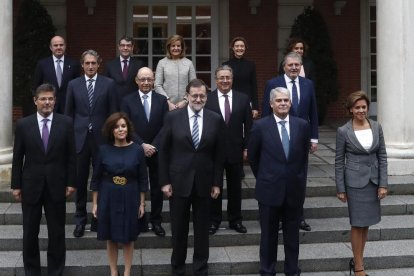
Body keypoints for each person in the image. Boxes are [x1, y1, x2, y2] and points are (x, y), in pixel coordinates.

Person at [158, 79, 223, 275]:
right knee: (179, 230)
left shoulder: (215, 119)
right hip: (178, 183)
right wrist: (164, 181)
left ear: (206, 96)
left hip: (204, 182)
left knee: (202, 230)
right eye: (194, 95)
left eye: (202, 95)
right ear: (187, 96)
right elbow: (163, 151)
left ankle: (200, 268)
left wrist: (217, 183)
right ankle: (178, 268)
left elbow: (219, 155)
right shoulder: (172, 117)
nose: (198, 99)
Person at [11, 83, 76, 276]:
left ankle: (56, 271)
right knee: (30, 232)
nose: (47, 102)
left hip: (57, 185)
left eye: (50, 99)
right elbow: (17, 157)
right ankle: (32, 271)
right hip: (31, 185)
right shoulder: (23, 124)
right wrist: (16, 185)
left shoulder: (66, 123)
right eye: (43, 99)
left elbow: (72, 156)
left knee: (57, 232)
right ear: (35, 101)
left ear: (55, 101)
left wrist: (71, 182)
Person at [248, 87, 310, 276]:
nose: (282, 103)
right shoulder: (260, 126)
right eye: (279, 101)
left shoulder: (302, 125)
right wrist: (266, 176)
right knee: (268, 236)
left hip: (294, 189)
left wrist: (298, 180)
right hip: (269, 189)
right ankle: (267, 270)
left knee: (292, 236)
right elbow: (253, 157)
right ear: (271, 103)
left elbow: (303, 158)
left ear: (290, 103)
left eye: (286, 100)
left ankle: (292, 270)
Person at [262, 51, 318, 231]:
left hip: (301, 139)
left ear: (301, 66)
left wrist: (314, 137)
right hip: (278, 137)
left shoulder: (308, 84)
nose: (294, 68)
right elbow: (265, 113)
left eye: (297, 65)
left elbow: (313, 112)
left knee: (299, 177)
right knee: (278, 176)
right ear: (284, 66)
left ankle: (298, 216)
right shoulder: (273, 83)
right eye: (290, 65)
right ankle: (277, 217)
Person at [65, 49, 118, 238]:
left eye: (93, 63)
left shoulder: (109, 84)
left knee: (102, 180)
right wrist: (68, 140)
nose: (90, 66)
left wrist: (113, 140)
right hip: (79, 140)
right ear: (82, 65)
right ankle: (80, 220)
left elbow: (113, 114)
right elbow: (68, 115)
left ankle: (100, 218)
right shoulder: (73, 85)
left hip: (102, 140)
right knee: (79, 181)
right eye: (87, 63)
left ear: (99, 64)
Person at [335, 91, 388, 276]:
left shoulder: (376, 127)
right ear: (350, 109)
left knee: (366, 224)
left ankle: (359, 259)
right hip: (355, 183)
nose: (361, 110)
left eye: (364, 107)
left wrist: (383, 184)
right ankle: (358, 267)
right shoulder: (343, 131)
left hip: (373, 182)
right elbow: (338, 161)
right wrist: (340, 188)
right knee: (357, 224)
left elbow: (382, 156)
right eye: (357, 107)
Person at [91, 112, 148, 276]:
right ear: (111, 130)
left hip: (131, 195)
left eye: (123, 126)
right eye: (116, 127)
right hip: (108, 196)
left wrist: (142, 203)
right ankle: (114, 271)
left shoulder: (137, 150)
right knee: (111, 236)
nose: (120, 129)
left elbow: (143, 179)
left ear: (128, 128)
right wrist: (95, 203)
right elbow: (95, 179)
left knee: (129, 237)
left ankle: (127, 272)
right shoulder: (103, 150)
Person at [121, 67, 169, 237]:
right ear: (136, 80)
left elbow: (166, 126)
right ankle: (136, 220)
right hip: (135, 150)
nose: (146, 82)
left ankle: (156, 221)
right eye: (143, 79)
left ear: (153, 80)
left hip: (156, 151)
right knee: (134, 186)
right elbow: (126, 126)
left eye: (149, 79)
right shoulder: (127, 100)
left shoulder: (162, 100)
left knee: (157, 187)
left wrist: (153, 146)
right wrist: (142, 145)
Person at [205, 65, 252, 235]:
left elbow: (249, 126)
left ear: (232, 79)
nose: (225, 81)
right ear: (216, 79)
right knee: (214, 186)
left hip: (235, 151)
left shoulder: (243, 99)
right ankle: (213, 220)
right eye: (221, 78)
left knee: (235, 188)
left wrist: (247, 147)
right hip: (212, 151)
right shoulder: (207, 99)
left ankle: (235, 220)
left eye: (228, 78)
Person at [32, 36, 80, 114]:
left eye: (61, 45)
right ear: (51, 47)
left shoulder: (74, 64)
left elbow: (78, 86)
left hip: (68, 106)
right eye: (55, 45)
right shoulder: (42, 64)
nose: (59, 47)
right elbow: (36, 86)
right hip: (48, 106)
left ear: (65, 46)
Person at [154, 34, 196, 111]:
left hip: (186, 106)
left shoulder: (189, 63)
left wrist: (185, 100)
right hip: (166, 105)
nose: (176, 48)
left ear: (182, 48)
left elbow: (193, 85)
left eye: (178, 46)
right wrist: (167, 102)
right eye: (173, 46)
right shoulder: (162, 63)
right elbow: (157, 85)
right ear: (169, 47)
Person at [223, 36, 259, 119]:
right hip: (230, 101)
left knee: (247, 127)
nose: (239, 48)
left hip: (247, 101)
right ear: (232, 48)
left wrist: (255, 107)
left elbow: (254, 86)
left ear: (245, 48)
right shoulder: (226, 65)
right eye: (237, 46)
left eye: (242, 46)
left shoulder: (251, 65)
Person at [104, 35, 145, 103]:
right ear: (119, 47)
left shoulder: (139, 64)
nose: (125, 48)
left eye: (128, 45)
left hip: (133, 103)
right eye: (123, 45)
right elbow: (105, 86)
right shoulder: (110, 65)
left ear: (132, 47)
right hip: (114, 103)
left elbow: (142, 84)